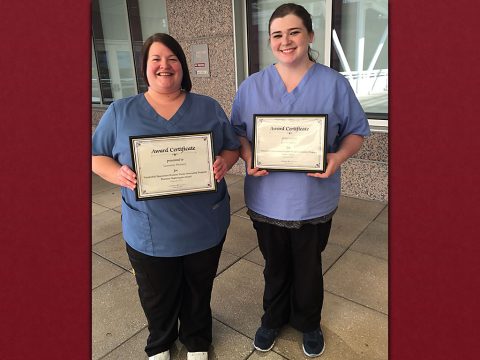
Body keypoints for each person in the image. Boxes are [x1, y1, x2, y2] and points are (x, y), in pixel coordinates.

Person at [231, 3, 370, 358]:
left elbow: (355, 132)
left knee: (309, 267)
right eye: (277, 34)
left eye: (294, 32)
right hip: (266, 198)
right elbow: (238, 134)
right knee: (274, 265)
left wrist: (337, 158)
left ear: (309, 35)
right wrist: (248, 156)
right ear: (269, 41)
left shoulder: (333, 84)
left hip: (313, 198)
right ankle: (272, 318)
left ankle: (308, 322)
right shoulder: (251, 87)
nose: (286, 41)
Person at [92, 33, 240, 360]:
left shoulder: (208, 107)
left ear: (182, 66)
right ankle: (160, 342)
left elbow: (231, 147)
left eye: (172, 59)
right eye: (156, 59)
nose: (164, 65)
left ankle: (197, 338)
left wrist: (223, 162)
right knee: (156, 293)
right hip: (149, 229)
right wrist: (117, 173)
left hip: (204, 222)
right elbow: (94, 156)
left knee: (198, 288)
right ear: (144, 67)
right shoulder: (121, 112)